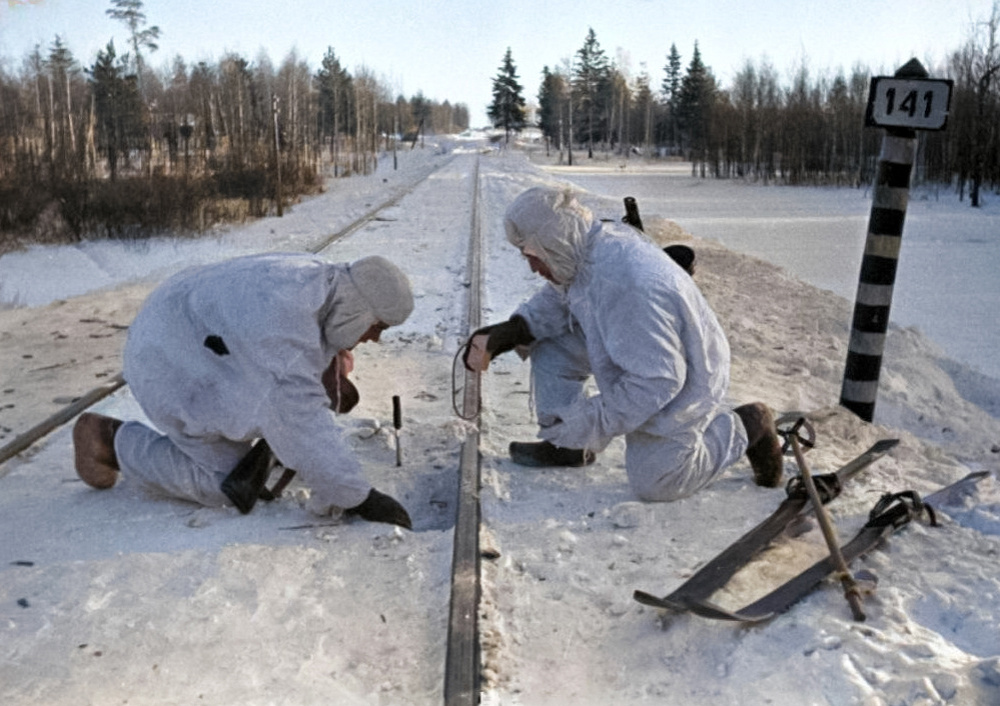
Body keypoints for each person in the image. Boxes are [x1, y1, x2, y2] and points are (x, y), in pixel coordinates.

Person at [464, 187, 782, 502]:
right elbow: (562, 295)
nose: (532, 268)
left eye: (532, 257)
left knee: (658, 482)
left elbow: (656, 382)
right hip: (633, 347)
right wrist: (515, 329)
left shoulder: (625, 285)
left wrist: (588, 422)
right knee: (550, 345)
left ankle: (749, 425)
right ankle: (570, 448)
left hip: (687, 372)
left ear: (553, 245)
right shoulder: (584, 249)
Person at [73, 253, 415, 528]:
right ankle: (109, 443)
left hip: (182, 322)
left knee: (286, 404)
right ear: (359, 309)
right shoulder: (283, 334)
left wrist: (330, 370)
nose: (374, 338)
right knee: (232, 484)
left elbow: (304, 352)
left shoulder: (319, 279)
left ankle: (269, 436)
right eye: (377, 326)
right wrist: (358, 497)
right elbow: (301, 417)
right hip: (167, 364)